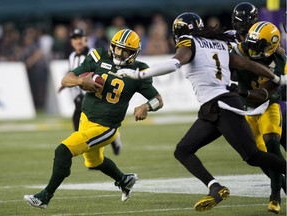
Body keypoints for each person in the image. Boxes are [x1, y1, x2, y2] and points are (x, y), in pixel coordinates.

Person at [116, 12, 287, 212]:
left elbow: (175, 63)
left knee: (253, 156)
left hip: (222, 105)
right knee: (183, 150)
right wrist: (278, 79)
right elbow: (247, 64)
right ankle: (215, 188)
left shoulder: (189, 42)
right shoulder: (218, 42)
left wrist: (138, 74)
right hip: (212, 106)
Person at [23, 29, 163, 209]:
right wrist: (81, 82)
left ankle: (45, 197)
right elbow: (67, 79)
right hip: (85, 118)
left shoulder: (139, 70)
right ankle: (124, 180)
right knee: (94, 162)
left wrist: (146, 106)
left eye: (125, 50)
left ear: (134, 52)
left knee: (63, 151)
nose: (119, 53)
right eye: (117, 48)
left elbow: (158, 100)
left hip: (106, 127)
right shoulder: (98, 56)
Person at [231, 21, 286, 214]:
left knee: (272, 144)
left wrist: (240, 91)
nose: (252, 49)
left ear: (271, 45)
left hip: (267, 105)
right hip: (247, 111)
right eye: (251, 43)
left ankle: (275, 197)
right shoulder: (239, 49)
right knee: (256, 156)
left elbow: (264, 93)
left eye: (258, 46)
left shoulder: (279, 60)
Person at [58, 28, 122, 155]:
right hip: (78, 96)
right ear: (71, 42)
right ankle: (91, 153)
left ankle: (113, 138)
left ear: (85, 39)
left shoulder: (94, 54)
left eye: (80, 38)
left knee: (94, 126)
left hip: (93, 95)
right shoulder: (71, 56)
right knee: (80, 126)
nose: (78, 41)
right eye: (74, 38)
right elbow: (73, 72)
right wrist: (65, 85)